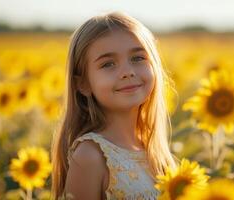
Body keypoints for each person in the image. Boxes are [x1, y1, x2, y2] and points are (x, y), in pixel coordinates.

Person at [50, 11, 177, 200]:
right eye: (108, 64)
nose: (127, 72)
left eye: (138, 58)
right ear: (83, 84)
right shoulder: (90, 157)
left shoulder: (154, 151)